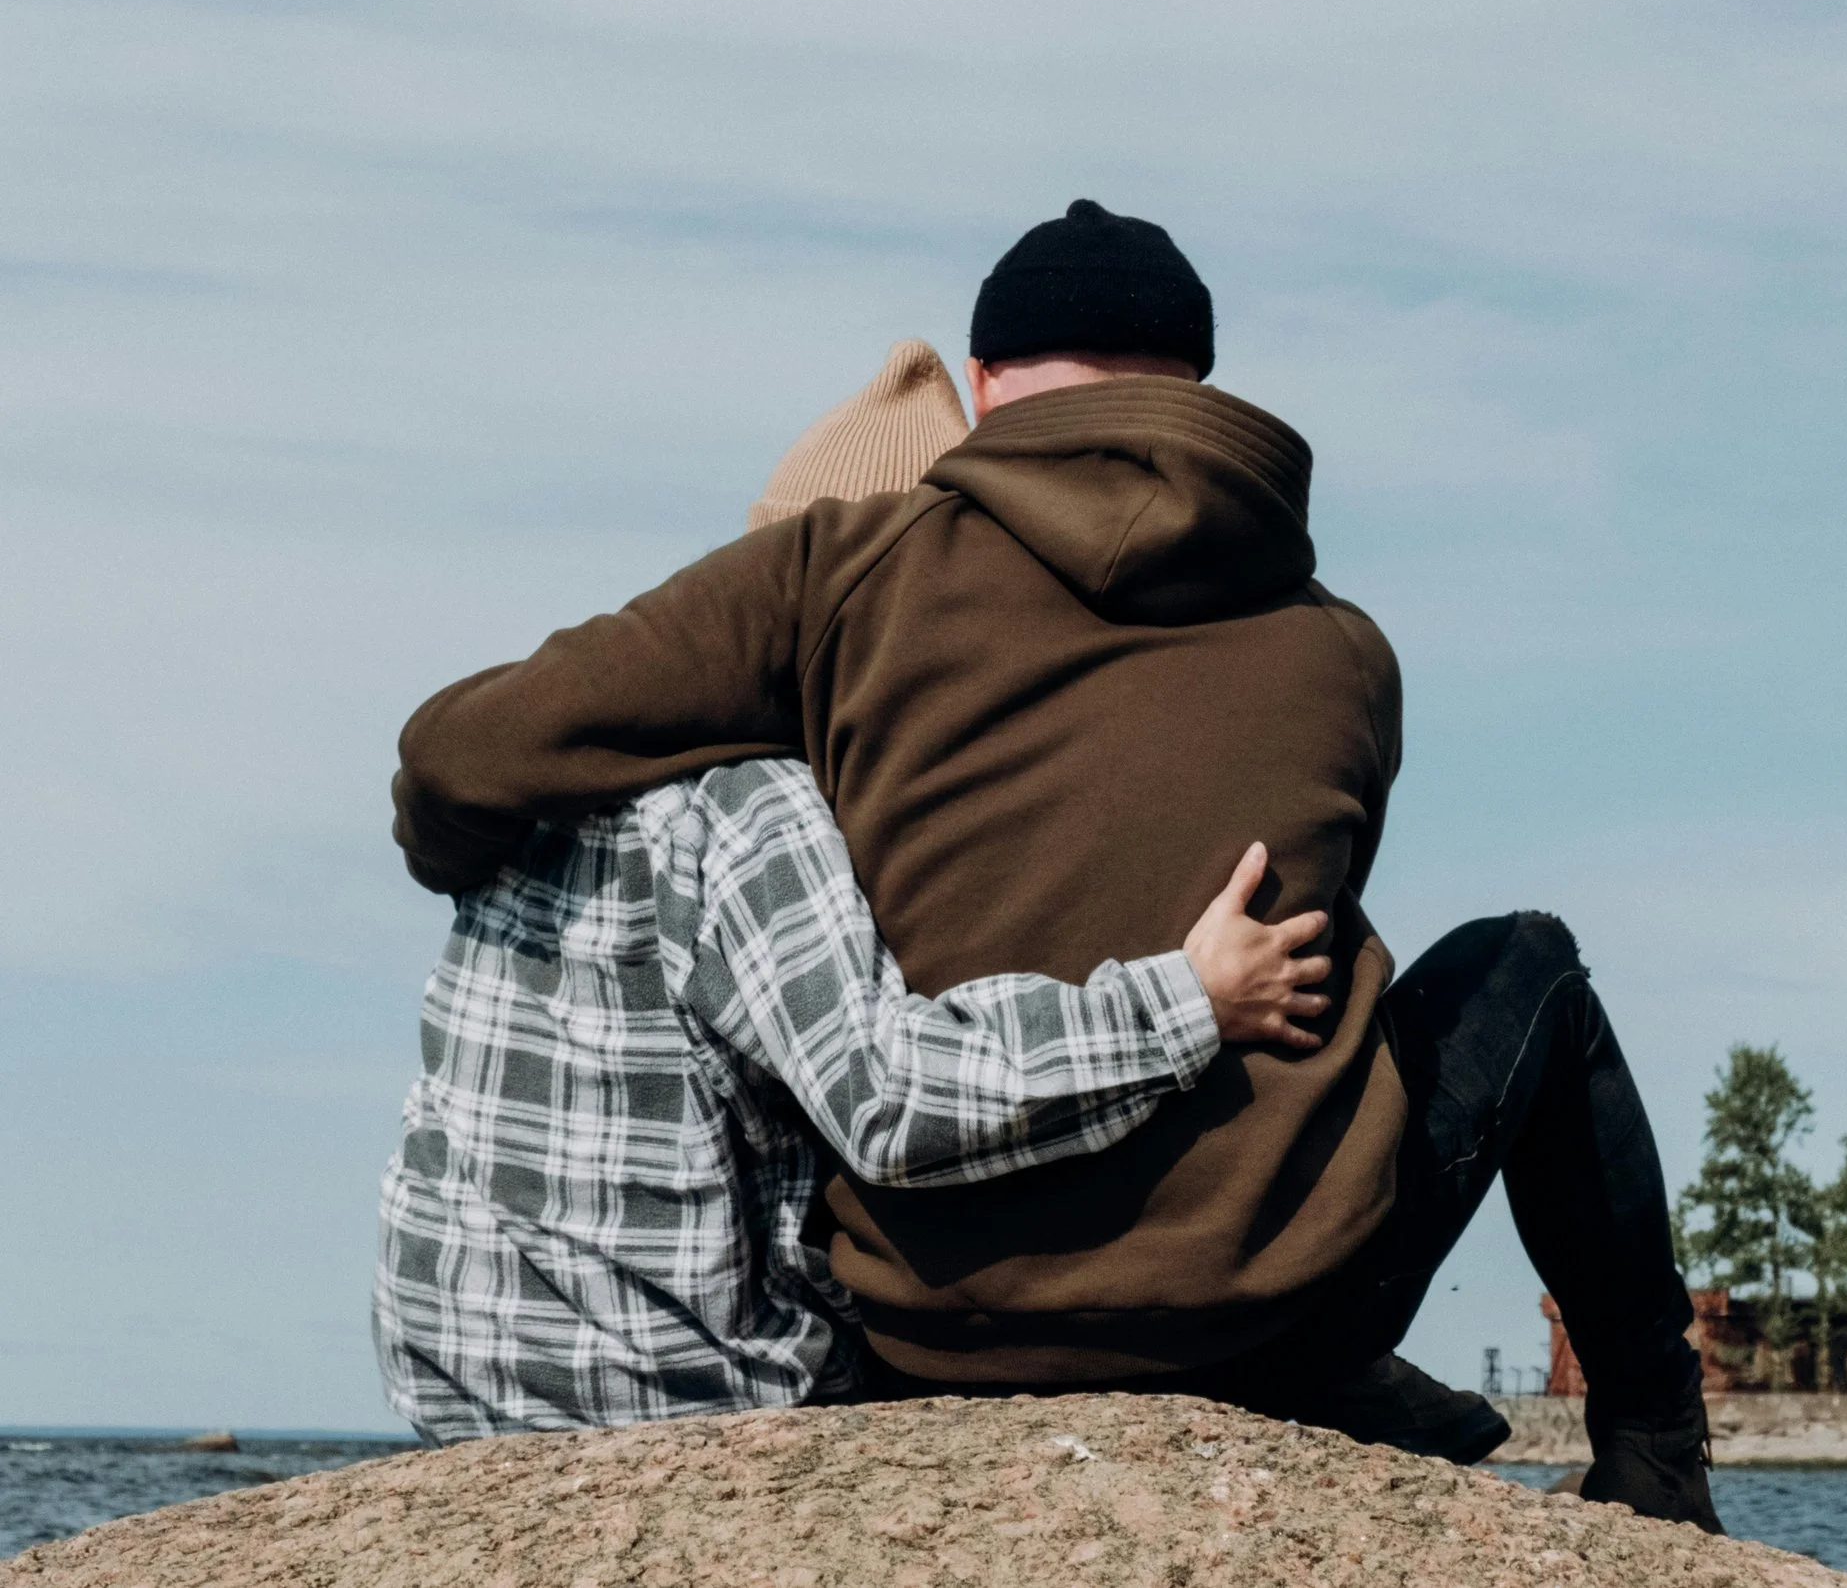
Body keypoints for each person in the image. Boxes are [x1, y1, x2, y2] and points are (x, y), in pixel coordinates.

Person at [389, 201, 1719, 1528]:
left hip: (920, 1344)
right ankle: (1654, 1454)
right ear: (1199, 388)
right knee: (1526, 965)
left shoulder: (837, 576)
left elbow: (460, 754)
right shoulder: (1346, 652)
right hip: (1268, 1319)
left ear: (984, 390)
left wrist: (467, 864)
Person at [374, 344, 1333, 1443]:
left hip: (457, 1372)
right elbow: (885, 1096)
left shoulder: (542, 778)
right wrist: (1185, 1001)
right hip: (671, 1394)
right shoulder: (745, 808)